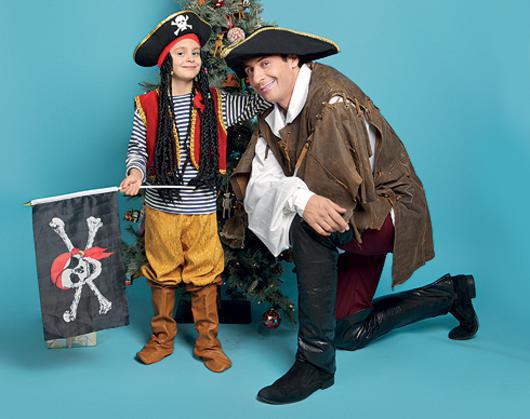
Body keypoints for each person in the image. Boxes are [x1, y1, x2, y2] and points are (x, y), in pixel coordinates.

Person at [223, 26, 479, 403]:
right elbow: (260, 185)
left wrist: (298, 199)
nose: (256, 78)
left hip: (387, 209)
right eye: (249, 71)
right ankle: (452, 294)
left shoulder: (332, 102)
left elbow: (330, 205)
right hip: (356, 213)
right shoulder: (273, 116)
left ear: (293, 59)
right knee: (348, 331)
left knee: (309, 226)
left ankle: (315, 365)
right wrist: (298, 196)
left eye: (265, 64)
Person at [120, 11, 269, 373]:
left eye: (196, 53)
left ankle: (208, 344)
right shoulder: (148, 105)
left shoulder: (217, 103)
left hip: (201, 211)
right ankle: (161, 340)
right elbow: (138, 149)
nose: (191, 58)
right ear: (166, 62)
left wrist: (255, 71)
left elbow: (261, 102)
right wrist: (135, 173)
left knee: (205, 275)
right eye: (181, 52)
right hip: (161, 210)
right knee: (161, 273)